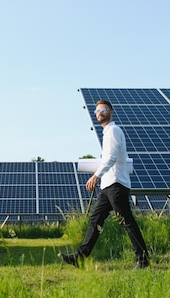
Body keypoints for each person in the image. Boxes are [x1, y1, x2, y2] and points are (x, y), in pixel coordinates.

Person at [59, 99, 149, 269]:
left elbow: (112, 157)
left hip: (116, 184)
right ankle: (80, 257)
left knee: (126, 221)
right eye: (97, 111)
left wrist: (95, 175)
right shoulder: (107, 133)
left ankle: (143, 260)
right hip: (107, 186)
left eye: (103, 109)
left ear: (110, 112)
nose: (99, 113)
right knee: (95, 220)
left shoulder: (114, 130)